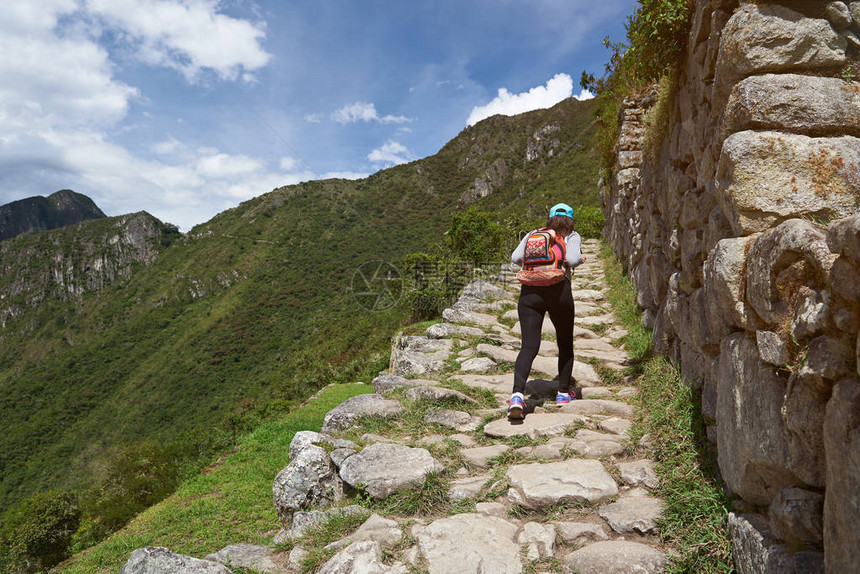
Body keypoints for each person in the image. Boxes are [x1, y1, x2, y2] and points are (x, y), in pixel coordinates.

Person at [507, 203, 586, 419]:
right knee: (564, 342)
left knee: (529, 346)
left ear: (549, 218)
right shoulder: (572, 235)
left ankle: (517, 396)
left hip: (530, 292)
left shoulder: (535, 233)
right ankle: (562, 392)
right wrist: (577, 258)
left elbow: (515, 258)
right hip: (559, 291)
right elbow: (571, 260)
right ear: (571, 219)